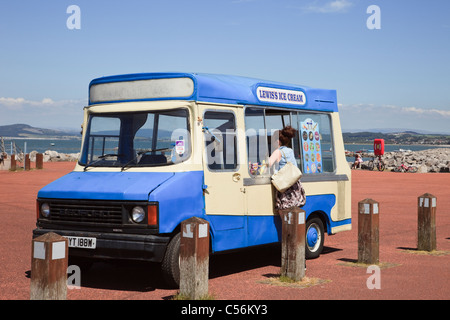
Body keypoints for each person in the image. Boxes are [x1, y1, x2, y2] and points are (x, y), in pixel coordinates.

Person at [269, 126, 306, 212]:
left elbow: (268, 164)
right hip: (295, 187)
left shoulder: (278, 152)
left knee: (285, 216)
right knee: (293, 217)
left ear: (277, 141)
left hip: (285, 187)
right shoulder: (290, 151)